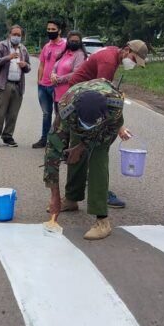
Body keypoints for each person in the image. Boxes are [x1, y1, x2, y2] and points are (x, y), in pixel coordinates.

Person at [65, 38, 148, 208]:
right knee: (96, 152)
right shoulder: (108, 61)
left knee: (79, 151)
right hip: (82, 103)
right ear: (126, 50)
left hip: (80, 99)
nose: (132, 64)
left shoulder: (112, 52)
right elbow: (104, 97)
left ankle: (71, 198)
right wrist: (119, 126)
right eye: (133, 59)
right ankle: (98, 196)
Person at [44, 79, 131, 240]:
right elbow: (52, 151)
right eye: (85, 123)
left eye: (90, 124)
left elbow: (106, 134)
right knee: (73, 156)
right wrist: (54, 195)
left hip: (105, 127)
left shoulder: (114, 105)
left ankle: (102, 220)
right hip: (77, 116)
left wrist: (83, 146)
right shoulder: (66, 109)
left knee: (98, 160)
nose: (87, 126)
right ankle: (71, 198)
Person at [0, 25, 31, 148]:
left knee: (13, 113)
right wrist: (8, 57)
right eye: (15, 34)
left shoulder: (23, 49)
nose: (17, 37)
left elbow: (28, 67)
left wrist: (25, 66)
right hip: (4, 84)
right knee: (0, 112)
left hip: (18, 85)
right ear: (9, 35)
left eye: (19, 35)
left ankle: (7, 136)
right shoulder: (1, 46)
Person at [33, 20, 67, 148]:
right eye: (49, 29)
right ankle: (44, 139)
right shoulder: (46, 46)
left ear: (59, 31)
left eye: (53, 29)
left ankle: (58, 142)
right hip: (43, 86)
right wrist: (39, 80)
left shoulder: (65, 45)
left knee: (60, 114)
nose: (50, 32)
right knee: (46, 113)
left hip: (57, 85)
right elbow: (42, 64)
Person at [50, 30, 88, 114]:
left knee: (65, 122)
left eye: (76, 41)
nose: (74, 43)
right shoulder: (65, 53)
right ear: (68, 41)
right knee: (58, 120)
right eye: (72, 41)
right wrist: (53, 75)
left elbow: (76, 74)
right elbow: (55, 67)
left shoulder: (80, 55)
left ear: (80, 42)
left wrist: (58, 79)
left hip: (70, 95)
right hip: (57, 94)